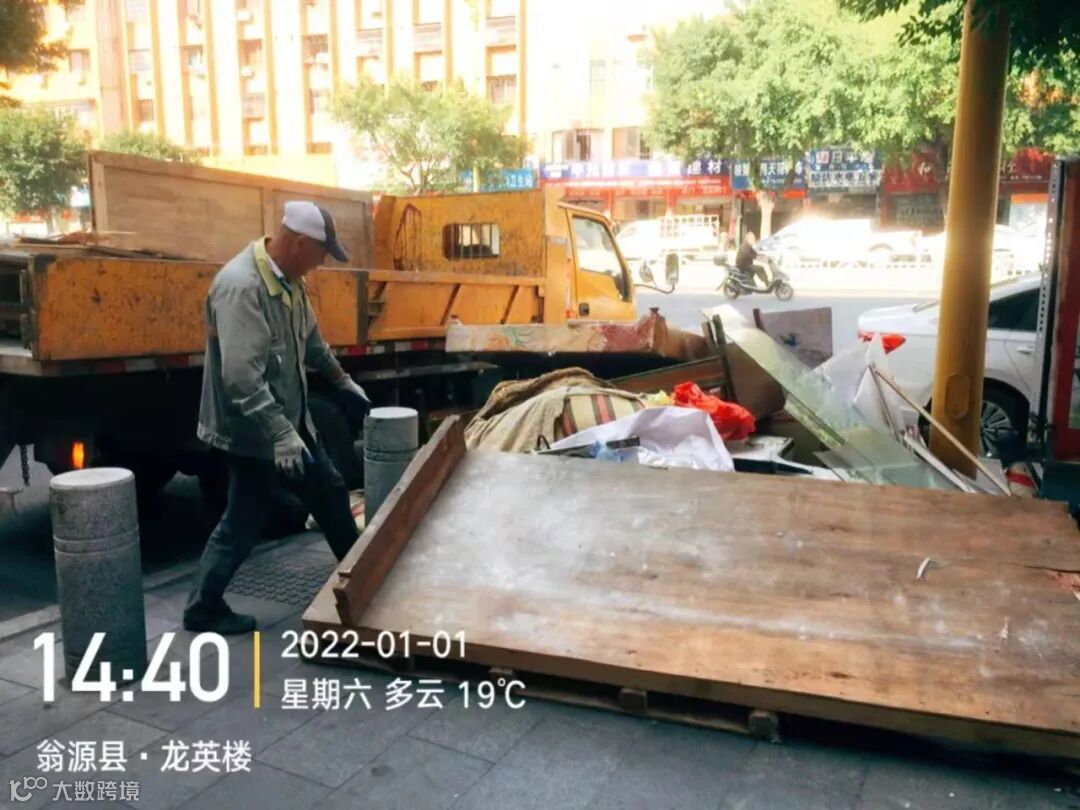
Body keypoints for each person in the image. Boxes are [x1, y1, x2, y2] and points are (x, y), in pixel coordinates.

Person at [184, 201, 372, 634]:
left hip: (290, 422)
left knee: (328, 491)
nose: (321, 264)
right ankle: (202, 608)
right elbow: (241, 379)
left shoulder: (290, 282)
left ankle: (363, 580)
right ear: (300, 243)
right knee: (244, 518)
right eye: (321, 254)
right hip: (253, 429)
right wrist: (281, 434)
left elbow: (312, 342)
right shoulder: (241, 287)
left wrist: (342, 380)